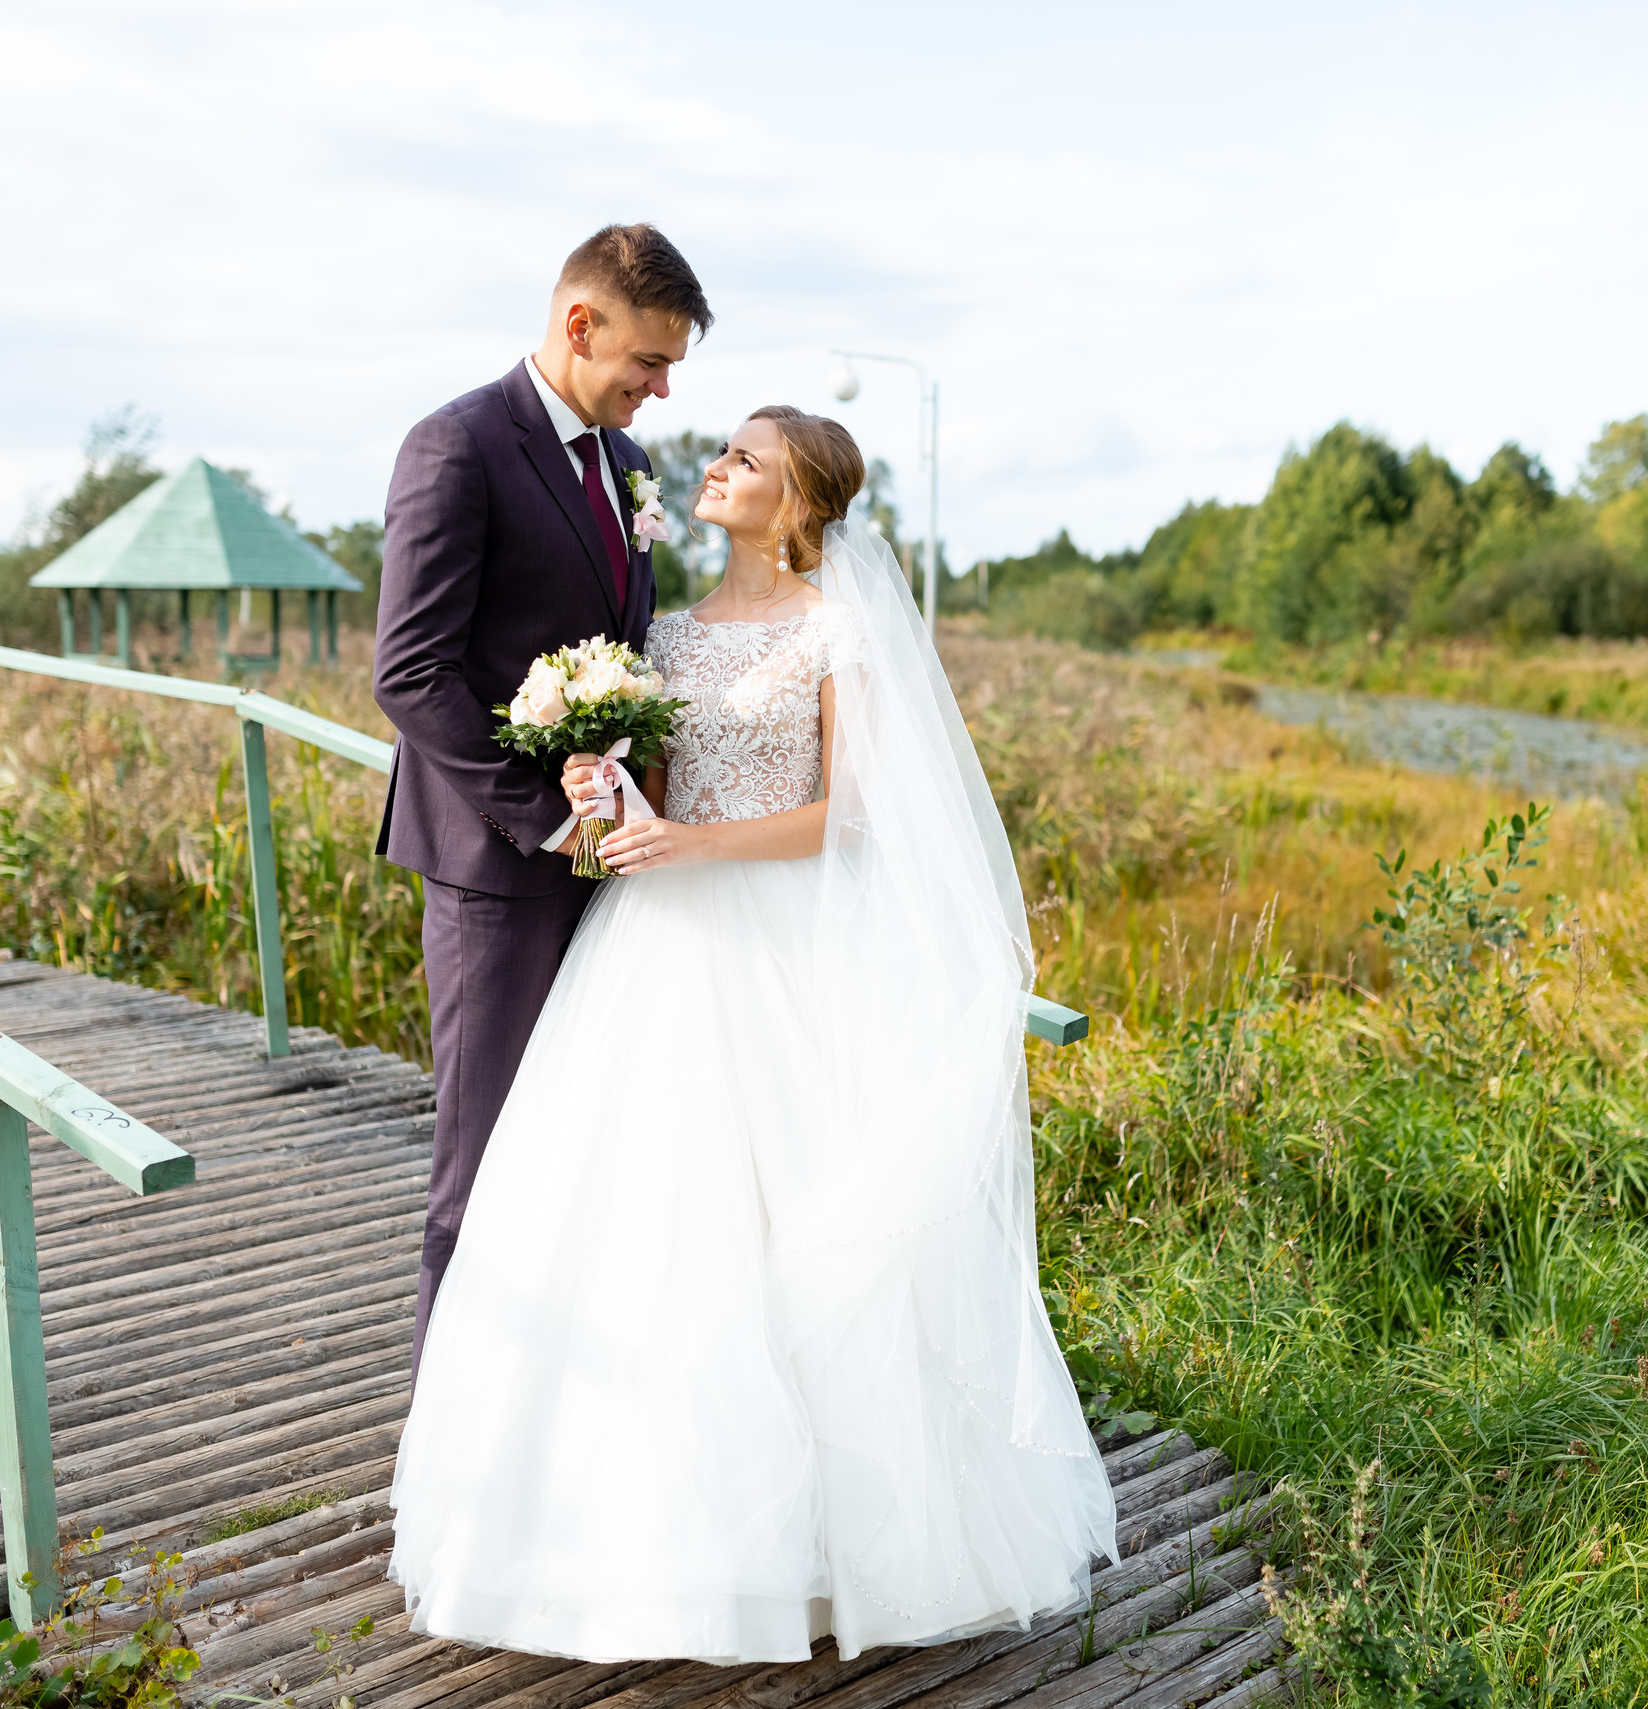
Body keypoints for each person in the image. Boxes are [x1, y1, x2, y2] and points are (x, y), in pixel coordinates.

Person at [387, 408, 1118, 1663]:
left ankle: (830, 1554)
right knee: (647, 1226)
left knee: (793, 1232)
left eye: (744, 460)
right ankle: (622, 1540)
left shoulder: (837, 630)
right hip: (658, 946)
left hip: (780, 945)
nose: (713, 466)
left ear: (797, 504)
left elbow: (851, 813)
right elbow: (654, 798)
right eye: (719, 450)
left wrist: (688, 843)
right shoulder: (662, 631)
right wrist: (597, 787)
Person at [372, 224, 709, 1376]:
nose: (661, 388)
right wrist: (549, 812)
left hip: (607, 861)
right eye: (647, 361)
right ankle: (444, 1453)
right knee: (481, 1167)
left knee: (578, 1153)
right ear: (580, 325)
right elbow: (409, 671)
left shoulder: (620, 467)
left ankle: (552, 1414)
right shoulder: (457, 445)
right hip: (495, 867)